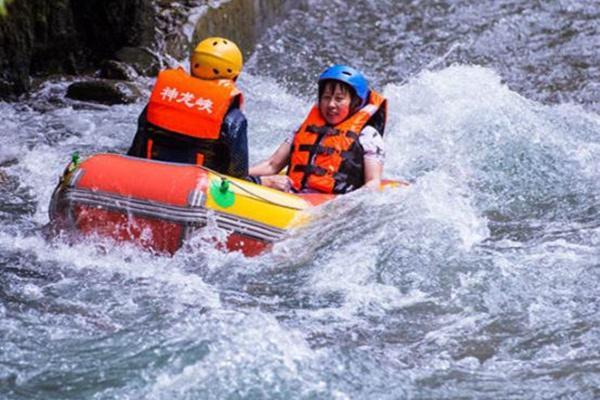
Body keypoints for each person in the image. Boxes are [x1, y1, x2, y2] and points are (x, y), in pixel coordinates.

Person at [127, 37, 253, 179]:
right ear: (234, 76)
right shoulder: (233, 118)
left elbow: (136, 150)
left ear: (192, 64)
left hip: (149, 176)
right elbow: (238, 174)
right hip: (199, 186)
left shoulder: (163, 100)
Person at [249, 64, 387, 193]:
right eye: (326, 98)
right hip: (295, 195)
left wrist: (343, 206)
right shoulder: (303, 128)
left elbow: (373, 183)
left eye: (339, 99)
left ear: (355, 103)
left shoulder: (368, 136)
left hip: (334, 202)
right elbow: (272, 165)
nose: (331, 104)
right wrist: (238, 175)